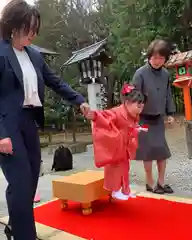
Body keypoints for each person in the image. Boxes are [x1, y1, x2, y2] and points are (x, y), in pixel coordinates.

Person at [0, 1, 90, 239]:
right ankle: (24, 235)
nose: (33, 34)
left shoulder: (34, 56)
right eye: (28, 28)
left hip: (29, 122)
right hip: (8, 124)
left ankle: (15, 227)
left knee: (29, 182)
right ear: (13, 25)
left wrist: (79, 100)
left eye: (35, 29)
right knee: (19, 184)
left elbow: (55, 82)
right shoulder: (0, 52)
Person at [86, 84, 146, 200]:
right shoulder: (117, 112)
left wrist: (137, 129)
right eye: (138, 104)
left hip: (125, 146)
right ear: (128, 103)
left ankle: (125, 190)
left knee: (125, 168)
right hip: (116, 145)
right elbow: (104, 117)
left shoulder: (133, 115)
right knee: (114, 168)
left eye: (142, 104)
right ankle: (115, 190)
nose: (141, 106)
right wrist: (95, 116)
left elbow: (132, 126)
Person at [132, 39, 176, 194]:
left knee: (162, 151)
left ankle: (161, 182)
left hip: (158, 118)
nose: (157, 61)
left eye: (161, 58)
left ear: (165, 59)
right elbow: (133, 95)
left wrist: (170, 113)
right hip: (143, 118)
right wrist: (134, 113)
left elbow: (168, 94)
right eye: (154, 57)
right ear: (149, 57)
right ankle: (150, 183)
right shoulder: (140, 73)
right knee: (148, 152)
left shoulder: (165, 74)